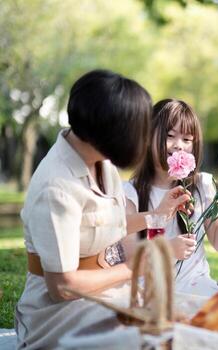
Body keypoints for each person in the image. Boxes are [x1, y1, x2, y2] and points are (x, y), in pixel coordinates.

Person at [15, 70, 190, 350]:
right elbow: (62, 286)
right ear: (111, 130)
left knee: (188, 321)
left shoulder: (100, 162)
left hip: (108, 293)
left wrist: (158, 214)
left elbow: (108, 223)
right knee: (152, 338)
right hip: (59, 313)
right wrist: (132, 268)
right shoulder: (57, 188)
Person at [123, 98, 218, 297]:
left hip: (196, 284)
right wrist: (168, 250)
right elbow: (130, 257)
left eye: (187, 139)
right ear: (149, 136)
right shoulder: (130, 193)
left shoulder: (202, 185)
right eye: (170, 135)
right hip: (149, 289)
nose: (179, 146)